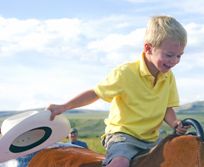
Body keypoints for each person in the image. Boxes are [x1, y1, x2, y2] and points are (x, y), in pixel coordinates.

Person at [48, 15, 190, 167]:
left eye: (179, 56)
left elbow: (167, 107)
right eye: (169, 55)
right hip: (123, 136)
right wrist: (64, 106)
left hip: (151, 140)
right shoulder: (125, 73)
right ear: (148, 48)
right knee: (120, 163)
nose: (174, 61)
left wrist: (175, 123)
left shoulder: (168, 77)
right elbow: (96, 93)